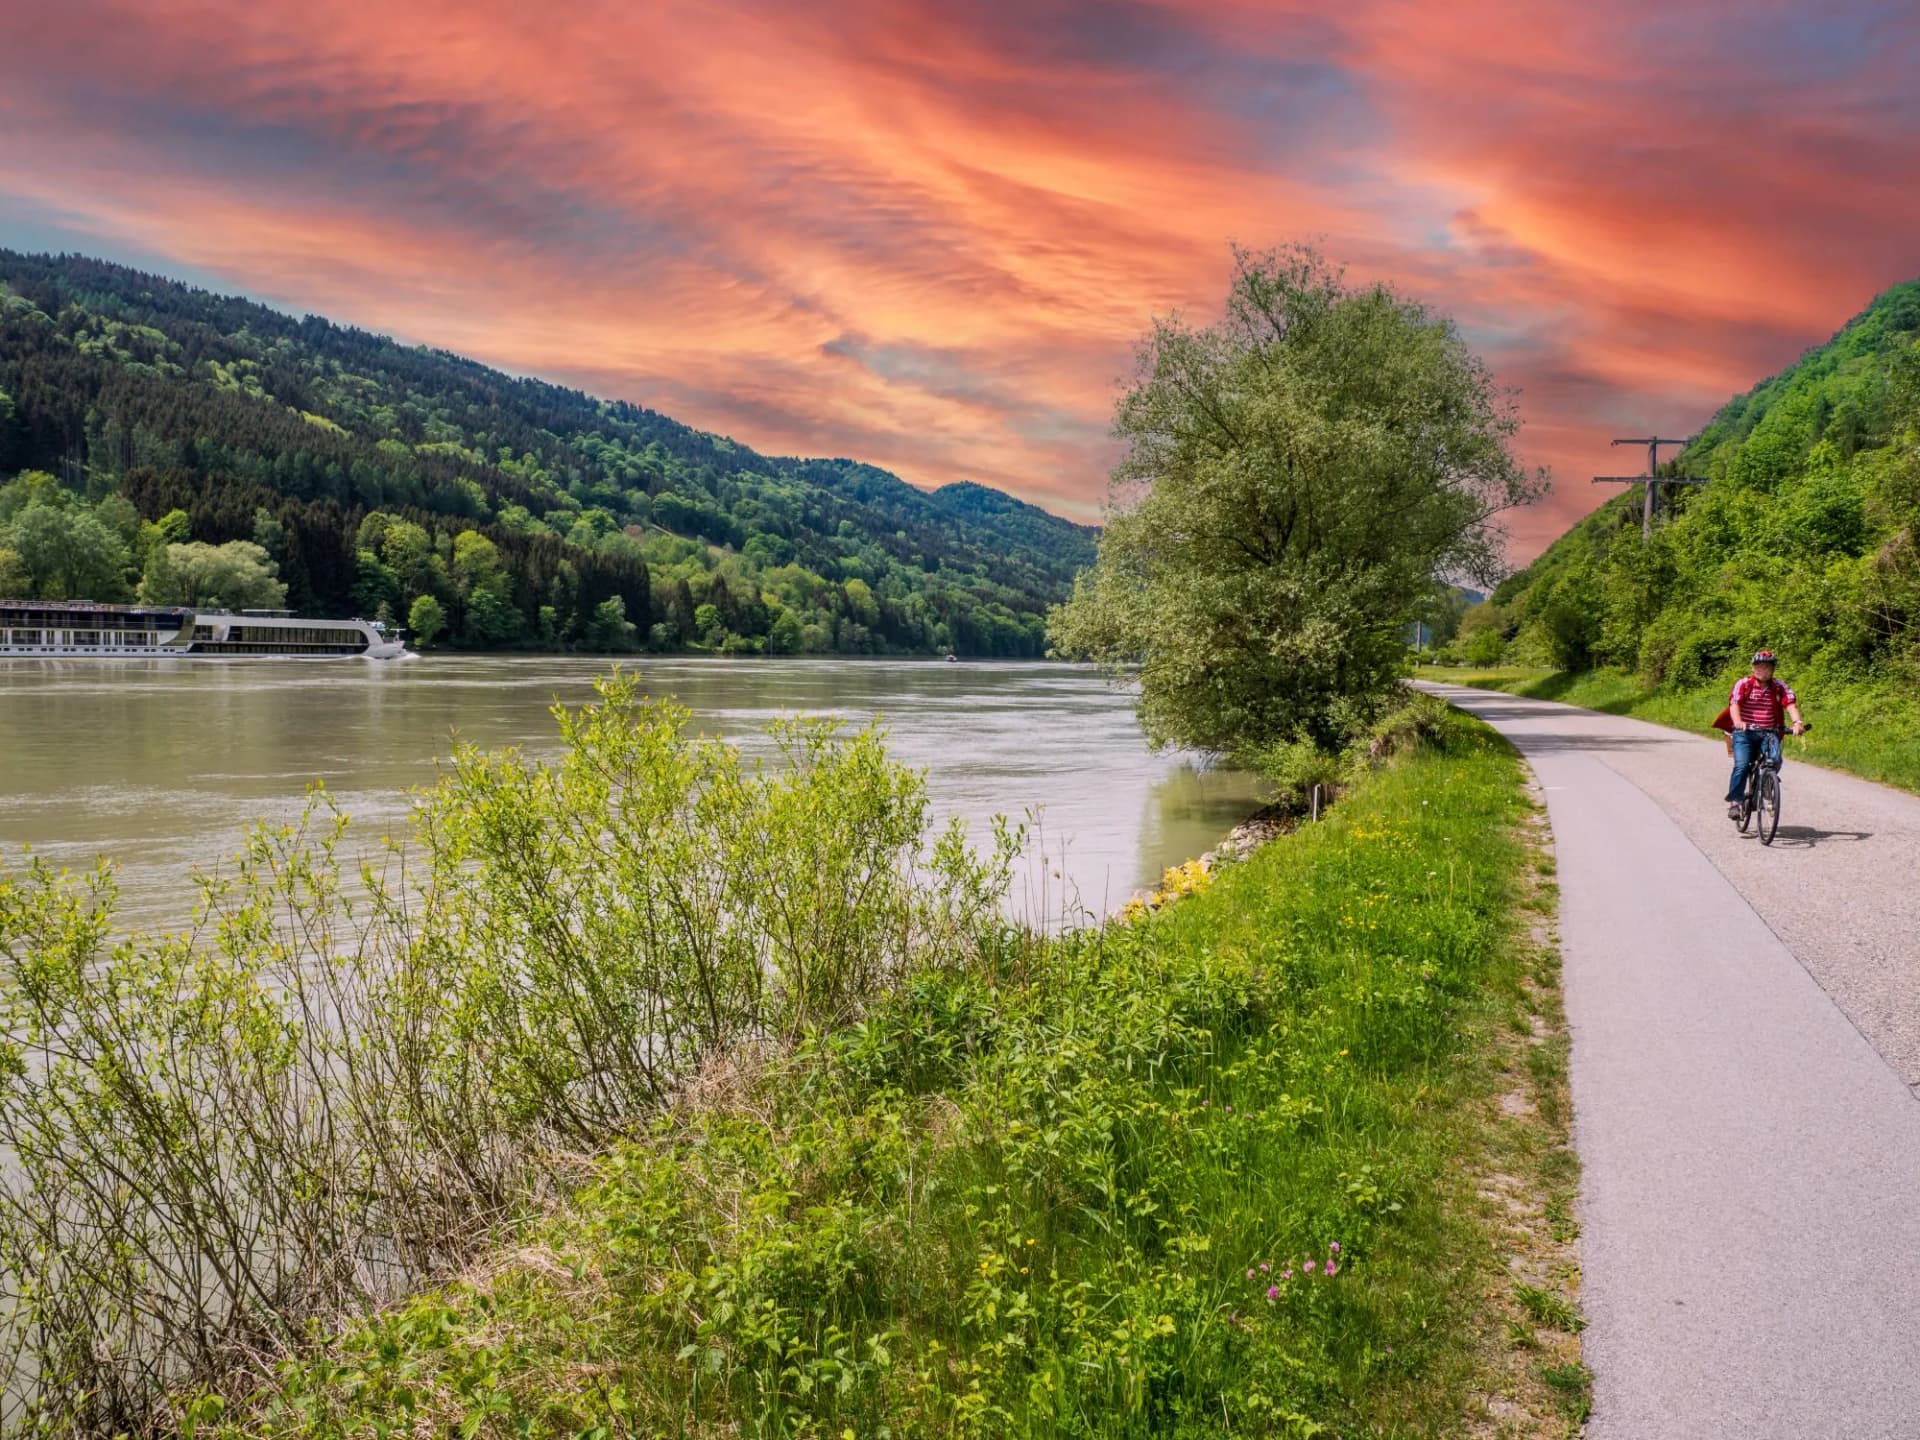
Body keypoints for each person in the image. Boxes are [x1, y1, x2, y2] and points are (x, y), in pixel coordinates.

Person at [1724, 650, 1806, 819]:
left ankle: (1766, 787)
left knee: (1775, 760)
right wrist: (1738, 722)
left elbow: (1790, 704)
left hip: (1769, 732)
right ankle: (1736, 802)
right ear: (1754, 668)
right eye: (1760, 666)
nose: (1764, 670)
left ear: (1773, 669)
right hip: (1745, 733)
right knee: (1742, 765)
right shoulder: (1744, 684)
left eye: (1768, 667)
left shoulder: (1779, 686)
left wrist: (1797, 723)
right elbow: (1734, 704)